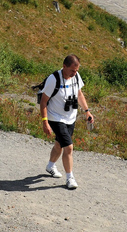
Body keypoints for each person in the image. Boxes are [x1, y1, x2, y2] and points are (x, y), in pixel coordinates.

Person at [39, 54, 94, 190]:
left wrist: (87, 111)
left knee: (59, 144)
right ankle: (70, 178)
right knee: (69, 147)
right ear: (64, 67)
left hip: (70, 118)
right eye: (72, 70)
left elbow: (79, 94)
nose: (75, 73)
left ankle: (50, 166)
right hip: (55, 118)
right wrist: (45, 121)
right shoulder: (53, 79)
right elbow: (43, 101)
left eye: (76, 70)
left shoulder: (76, 76)